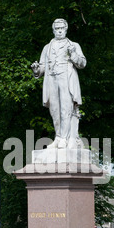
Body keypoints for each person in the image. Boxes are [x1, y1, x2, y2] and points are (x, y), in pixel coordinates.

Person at [31, 18, 86, 149]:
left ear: (66, 29)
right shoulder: (47, 47)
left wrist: (73, 54)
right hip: (52, 80)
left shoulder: (74, 45)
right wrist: (36, 69)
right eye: (57, 29)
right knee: (54, 110)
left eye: (61, 28)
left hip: (66, 79)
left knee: (66, 109)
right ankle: (58, 136)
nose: (59, 31)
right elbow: (43, 67)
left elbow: (82, 63)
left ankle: (63, 139)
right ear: (53, 30)